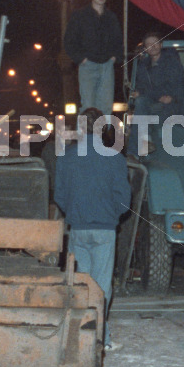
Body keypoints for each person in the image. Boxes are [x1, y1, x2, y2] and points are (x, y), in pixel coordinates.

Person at [54, 107, 132, 353]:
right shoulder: (115, 158)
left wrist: (76, 213)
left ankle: (79, 337)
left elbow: (60, 196)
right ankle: (101, 339)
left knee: (82, 287)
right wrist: (110, 215)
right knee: (101, 289)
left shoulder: (66, 157)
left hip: (78, 228)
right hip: (105, 231)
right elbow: (124, 200)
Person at [64, 0, 123, 114]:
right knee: (88, 106)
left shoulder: (111, 17)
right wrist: (81, 58)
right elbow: (69, 40)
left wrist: (115, 57)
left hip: (107, 65)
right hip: (88, 65)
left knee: (106, 106)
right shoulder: (79, 16)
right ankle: (86, 135)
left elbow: (118, 40)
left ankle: (102, 135)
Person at [129, 31, 184, 151]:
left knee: (142, 114)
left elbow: (172, 89)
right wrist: (146, 94)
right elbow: (142, 88)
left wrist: (148, 93)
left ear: (161, 45)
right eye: (148, 44)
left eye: (155, 43)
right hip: (155, 105)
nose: (152, 46)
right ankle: (138, 149)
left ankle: (139, 147)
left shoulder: (172, 62)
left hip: (174, 106)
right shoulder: (143, 66)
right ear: (145, 49)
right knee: (140, 104)